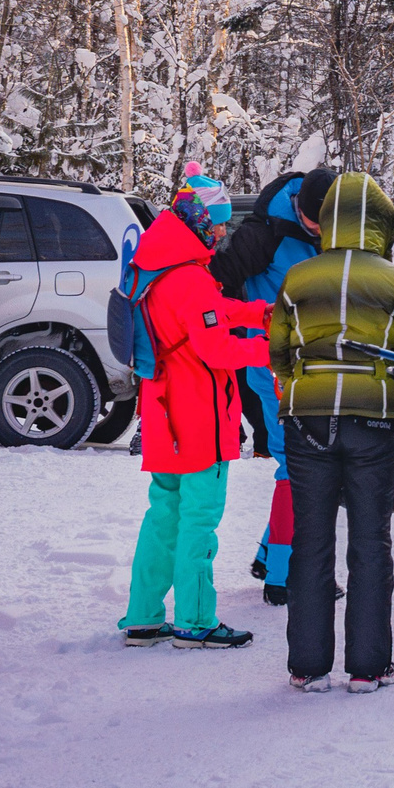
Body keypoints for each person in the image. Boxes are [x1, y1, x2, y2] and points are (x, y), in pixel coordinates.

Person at [267, 171, 394, 693]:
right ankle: (368, 666)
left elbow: (279, 352)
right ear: (381, 223)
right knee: (370, 542)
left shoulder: (298, 278)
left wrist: (302, 386)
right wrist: (388, 398)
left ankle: (307, 667)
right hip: (374, 420)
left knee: (310, 541)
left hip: (306, 419)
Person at [118, 164, 268, 650]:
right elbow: (217, 350)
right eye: (220, 223)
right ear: (200, 221)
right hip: (199, 416)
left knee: (164, 514)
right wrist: (271, 349)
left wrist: (255, 313)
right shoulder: (190, 278)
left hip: (164, 413)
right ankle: (196, 620)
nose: (224, 233)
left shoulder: (159, 264)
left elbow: (203, 315)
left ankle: (142, 616)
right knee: (199, 519)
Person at [209, 166, 335, 603]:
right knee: (297, 465)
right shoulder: (263, 233)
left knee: (308, 464)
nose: (321, 231)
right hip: (273, 365)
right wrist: (246, 332)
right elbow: (214, 287)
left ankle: (272, 555)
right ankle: (284, 577)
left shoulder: (336, 221)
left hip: (319, 366)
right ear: (300, 209)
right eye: (315, 223)